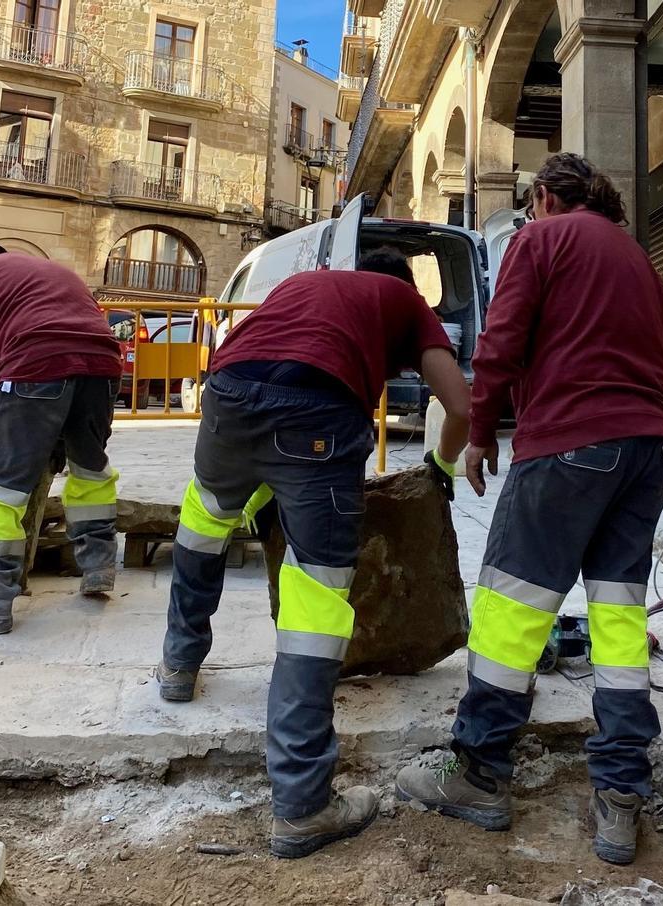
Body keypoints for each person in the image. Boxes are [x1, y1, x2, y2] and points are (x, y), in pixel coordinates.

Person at [395, 153, 663, 866]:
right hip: (645, 448)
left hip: (570, 444)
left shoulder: (540, 240)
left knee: (510, 608)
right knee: (618, 620)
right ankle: (619, 795)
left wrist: (480, 433)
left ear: (545, 197)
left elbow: (502, 344)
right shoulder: (638, 258)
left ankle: (479, 773)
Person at [155, 249, 471, 859]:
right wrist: (442, 465)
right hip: (318, 412)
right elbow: (459, 404)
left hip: (227, 396)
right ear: (402, 281)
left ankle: (177, 666)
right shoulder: (403, 299)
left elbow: (270, 361)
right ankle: (302, 805)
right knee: (317, 596)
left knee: (204, 523)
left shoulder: (305, 283)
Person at [0, 241, 124, 634]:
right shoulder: (56, 274)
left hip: (32, 363)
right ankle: (98, 567)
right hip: (101, 368)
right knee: (89, 467)